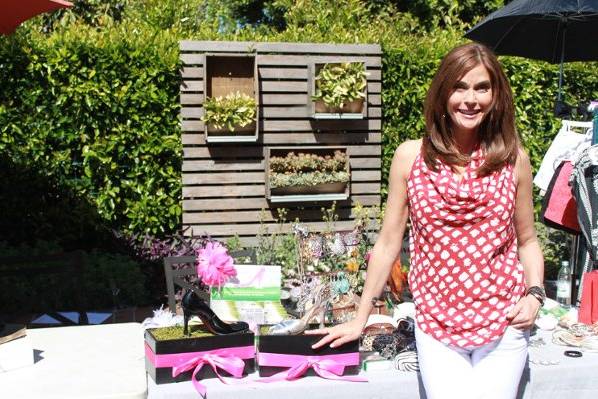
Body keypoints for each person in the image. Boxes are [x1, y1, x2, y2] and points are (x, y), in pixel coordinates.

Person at [308, 42, 545, 399]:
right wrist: (360, 318)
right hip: (437, 326)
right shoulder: (410, 157)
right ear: (442, 93)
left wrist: (535, 295)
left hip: (504, 323)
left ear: (496, 96)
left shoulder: (514, 159)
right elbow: (389, 243)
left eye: (482, 88)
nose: (470, 99)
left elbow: (527, 241)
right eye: (460, 87)